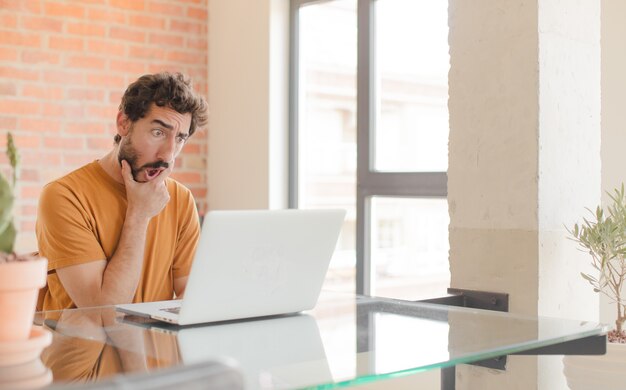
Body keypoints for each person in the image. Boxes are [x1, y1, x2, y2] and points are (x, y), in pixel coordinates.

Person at [36, 72, 208, 311]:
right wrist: (139, 214)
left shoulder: (180, 199)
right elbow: (103, 313)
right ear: (124, 123)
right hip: (87, 346)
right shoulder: (64, 196)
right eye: (158, 133)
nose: (168, 155)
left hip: (154, 346)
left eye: (179, 138)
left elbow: (193, 294)